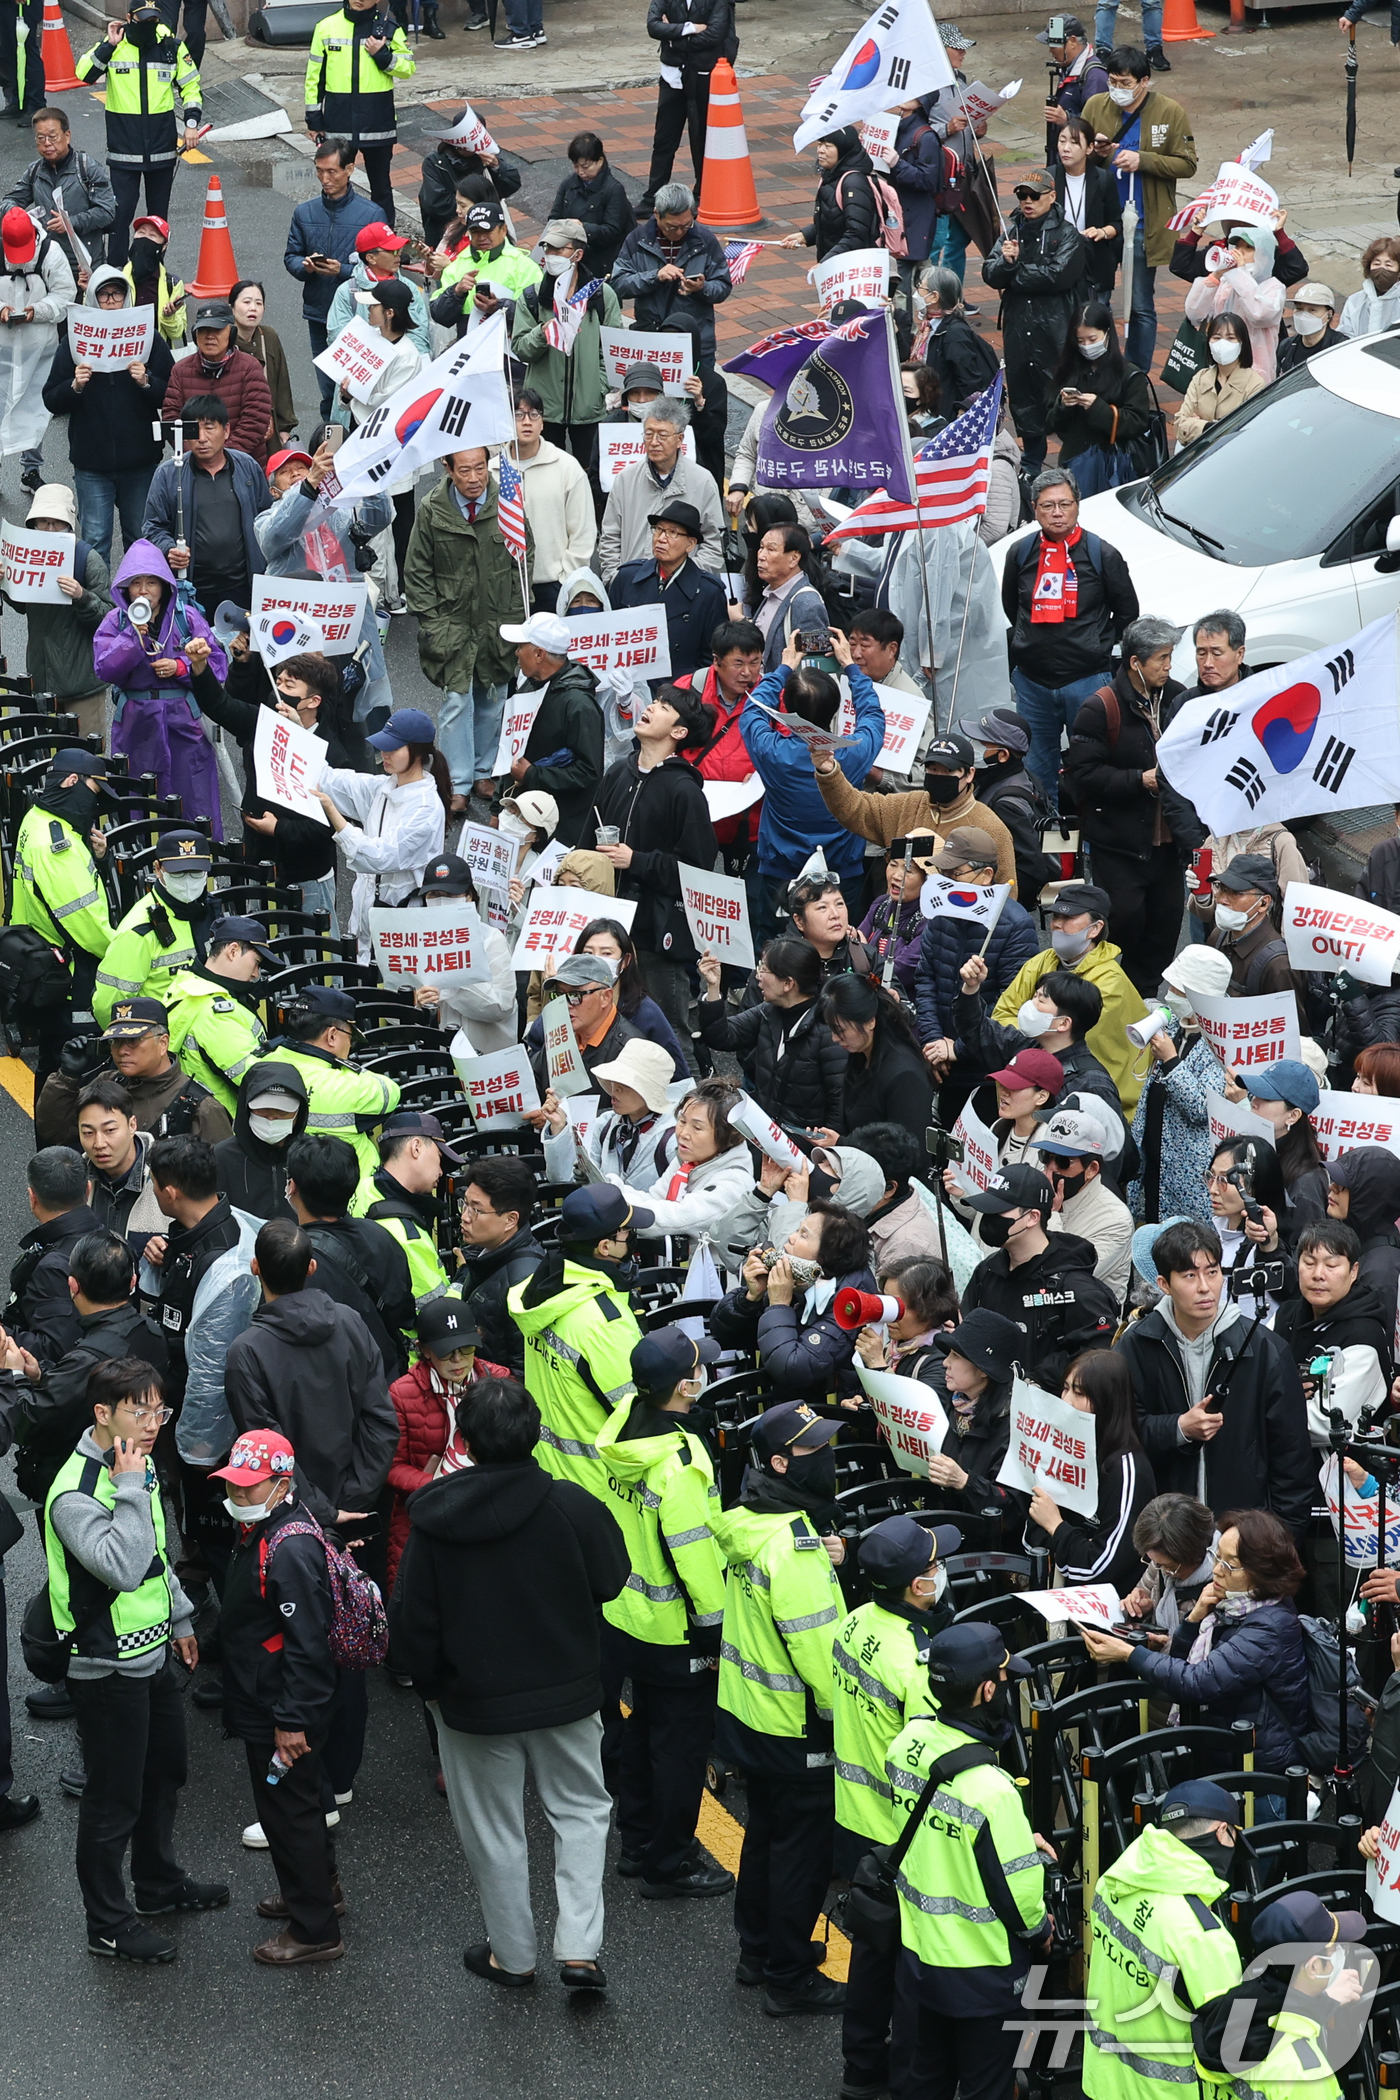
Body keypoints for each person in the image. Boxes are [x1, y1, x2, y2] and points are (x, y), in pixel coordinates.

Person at [391, 1373, 628, 1990]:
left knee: (494, 1830)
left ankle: (513, 1956)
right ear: (535, 1435)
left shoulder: (434, 1520)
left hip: (472, 1706)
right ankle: (579, 1948)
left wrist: (434, 1687)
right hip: (569, 1694)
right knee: (580, 1813)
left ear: (463, 1439)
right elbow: (610, 1580)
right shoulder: (572, 1505)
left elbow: (413, 1625)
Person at [45, 1353, 226, 1960]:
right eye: (139, 1411)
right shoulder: (75, 1492)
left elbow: (155, 1557)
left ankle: (156, 1884)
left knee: (164, 1775)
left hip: (153, 1655)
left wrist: (180, 1617)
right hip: (105, 1671)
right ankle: (107, 1923)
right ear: (103, 1413)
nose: (154, 1423)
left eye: (159, 1409)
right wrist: (128, 1486)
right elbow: (122, 1567)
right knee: (111, 1801)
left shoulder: (135, 1467)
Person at [707, 1399, 846, 2014]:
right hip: (796, 1728)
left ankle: (757, 1951)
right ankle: (789, 1978)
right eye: (818, 1451)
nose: (831, 1459)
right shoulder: (794, 1549)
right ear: (783, 1462)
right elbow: (821, 1657)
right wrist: (846, 1717)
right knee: (801, 1852)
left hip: (748, 1714)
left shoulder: (749, 1521)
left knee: (763, 1834)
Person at [884, 1624, 1049, 2100]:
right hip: (983, 1972)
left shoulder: (908, 1742)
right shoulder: (992, 1790)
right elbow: (1021, 1900)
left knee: (926, 2078)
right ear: (988, 1690)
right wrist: (1042, 1934)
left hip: (920, 1953)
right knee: (986, 2088)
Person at [594, 1328, 729, 1897]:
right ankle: (668, 1864)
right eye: (702, 1369)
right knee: (680, 1749)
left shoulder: (624, 1420)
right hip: (675, 1630)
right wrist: (715, 1628)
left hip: (625, 1615)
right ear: (684, 1385)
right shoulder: (680, 1461)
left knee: (641, 1728)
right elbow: (695, 1554)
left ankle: (637, 1840)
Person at [830, 1514, 959, 2098]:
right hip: (901, 1835)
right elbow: (929, 1757)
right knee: (909, 1966)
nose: (940, 1572)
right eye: (933, 1566)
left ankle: (861, 2066)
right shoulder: (917, 1659)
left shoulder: (854, 1623)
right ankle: (904, 2077)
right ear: (914, 1585)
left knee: (870, 1952)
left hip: (853, 1817)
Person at [213, 1427, 344, 1965]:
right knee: (302, 1804)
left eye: (249, 1487)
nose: (236, 1496)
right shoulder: (271, 1526)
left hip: (281, 1711)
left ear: (281, 1483)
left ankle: (314, 1928)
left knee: (286, 1812)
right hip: (272, 1700)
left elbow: (307, 1649)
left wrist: (291, 1723)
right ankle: (318, 1892)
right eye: (233, 1485)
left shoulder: (286, 1551)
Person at [1081, 1508, 1311, 1785]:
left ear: (1262, 1570)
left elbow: (1199, 1681)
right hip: (1224, 1757)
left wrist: (1129, 1653)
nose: (1217, 1570)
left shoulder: (1270, 1625)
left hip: (1257, 1773)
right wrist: (1193, 1620)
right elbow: (1184, 1658)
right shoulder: (1230, 1606)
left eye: (1230, 1564)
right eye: (1218, 1558)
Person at [1115, 1219, 1313, 1536]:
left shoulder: (1265, 1350)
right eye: (1190, 1275)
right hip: (1165, 1533)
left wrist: (1279, 1543)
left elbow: (1292, 1461)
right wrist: (1178, 1428)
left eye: (1212, 1271)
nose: (1205, 1286)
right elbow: (1120, 1433)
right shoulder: (1137, 1345)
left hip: (1243, 1537)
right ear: (1164, 1284)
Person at [224, 1217, 397, 1538]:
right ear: (312, 1267)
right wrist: (348, 1507)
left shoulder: (246, 1352)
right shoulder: (352, 1323)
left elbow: (269, 1455)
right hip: (356, 1516)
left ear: (255, 1266)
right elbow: (381, 1423)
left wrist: (323, 1512)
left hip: (285, 1523)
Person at [1079, 1778, 1244, 2100]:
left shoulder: (1114, 1881)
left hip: (1102, 2081)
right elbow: (1231, 2043)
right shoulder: (1202, 1936)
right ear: (1223, 1832)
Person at [1064, 614, 1200, 995]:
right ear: (1135, 662)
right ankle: (1105, 994)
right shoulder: (1100, 708)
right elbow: (1083, 773)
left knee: (1166, 925)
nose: (1168, 666)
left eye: (1171, 656)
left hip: (1168, 844)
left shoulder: (1177, 697)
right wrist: (1139, 780)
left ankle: (1141, 998)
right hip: (1120, 844)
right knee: (1124, 922)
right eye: (1161, 658)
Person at [1001, 469, 1139, 814]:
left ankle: (1092, 843)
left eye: (1065, 504)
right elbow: (1012, 606)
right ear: (1034, 509)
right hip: (1033, 683)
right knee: (1035, 768)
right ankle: (1046, 841)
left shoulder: (1101, 555)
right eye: (1048, 506)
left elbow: (1127, 614)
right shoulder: (1020, 553)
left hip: (1087, 680)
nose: (1057, 512)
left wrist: (1097, 647)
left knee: (1091, 764)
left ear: (1077, 506)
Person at [592, 684, 718, 1058]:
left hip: (656, 934)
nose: (651, 708)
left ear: (679, 733)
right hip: (605, 927)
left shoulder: (684, 790)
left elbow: (698, 872)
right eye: (657, 702)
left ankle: (688, 1111)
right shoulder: (617, 773)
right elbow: (587, 842)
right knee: (603, 1028)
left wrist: (638, 861)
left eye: (664, 707)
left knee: (666, 1036)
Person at [740, 637, 886, 930]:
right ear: (835, 709)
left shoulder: (773, 751)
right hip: (842, 872)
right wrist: (851, 668)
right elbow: (873, 716)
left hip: (781, 872)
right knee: (839, 948)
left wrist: (784, 668)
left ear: (788, 709)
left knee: (777, 955)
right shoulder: (853, 752)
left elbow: (752, 711)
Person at [41, 263, 171, 574]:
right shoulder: (73, 342)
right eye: (103, 295)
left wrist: (147, 381)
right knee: (96, 543)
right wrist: (74, 386)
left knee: (142, 541)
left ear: (127, 298)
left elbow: (172, 394)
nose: (111, 301)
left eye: (117, 294)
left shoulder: (147, 337)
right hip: (92, 463)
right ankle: (101, 616)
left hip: (140, 461)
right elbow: (50, 399)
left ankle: (142, 613)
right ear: (92, 300)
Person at [91, 539, 228, 824]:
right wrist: (132, 637)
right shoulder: (116, 621)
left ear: (165, 585)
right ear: (125, 588)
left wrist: (182, 666)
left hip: (183, 721)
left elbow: (218, 666)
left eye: (152, 582)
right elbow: (105, 669)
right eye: (136, 582)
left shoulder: (186, 618)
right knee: (137, 798)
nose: (144, 590)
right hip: (136, 722)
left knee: (193, 797)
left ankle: (194, 861)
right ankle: (137, 861)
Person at [980, 882, 1147, 1114]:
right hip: (1038, 1090)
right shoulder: (1042, 961)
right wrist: (1039, 1027)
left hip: (1093, 1102)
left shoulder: (1110, 982)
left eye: (1068, 918)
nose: (1057, 924)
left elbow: (1066, 1041)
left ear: (1095, 928)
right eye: (1055, 916)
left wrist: (1027, 1028)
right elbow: (1002, 1015)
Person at [1193, 1888, 1372, 2100]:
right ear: (1313, 1967)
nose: (1341, 1953)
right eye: (1334, 1949)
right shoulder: (1306, 2074)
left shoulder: (1225, 2009)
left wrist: (1323, 2002)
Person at [1081, 49, 1197, 372]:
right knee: (1096, 302)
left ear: (1144, 82)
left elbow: (1188, 163)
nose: (1116, 88)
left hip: (1144, 224)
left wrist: (1142, 160)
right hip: (1103, 224)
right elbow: (1079, 155)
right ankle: (1097, 369)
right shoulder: (1095, 106)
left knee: (1141, 305)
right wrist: (1095, 151)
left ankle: (1136, 375)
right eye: (1112, 81)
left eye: (1124, 82)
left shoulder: (1169, 112)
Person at [611, 185, 733, 490]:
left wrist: (702, 288)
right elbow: (619, 283)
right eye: (671, 226)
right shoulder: (637, 240)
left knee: (697, 411)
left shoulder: (704, 239)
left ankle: (692, 478)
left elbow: (724, 285)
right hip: (650, 342)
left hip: (696, 343)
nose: (679, 231)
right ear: (656, 215)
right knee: (649, 409)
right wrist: (654, 277)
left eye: (686, 224)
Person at [385, 1295, 508, 1591]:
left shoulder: (500, 1381)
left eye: (466, 1349)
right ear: (425, 1351)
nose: (457, 1360)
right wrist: (436, 1486)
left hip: (487, 1509)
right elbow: (393, 1466)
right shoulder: (401, 1394)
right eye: (445, 1352)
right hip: (426, 1514)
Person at [914, 827, 1042, 1112]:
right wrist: (934, 1043)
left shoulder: (1016, 925)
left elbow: (1011, 1005)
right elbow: (925, 980)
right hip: (941, 1060)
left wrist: (958, 1048)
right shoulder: (941, 912)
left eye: (953, 874)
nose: (945, 883)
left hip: (986, 1072)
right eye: (942, 874)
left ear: (985, 875)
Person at [10, 748, 114, 1092]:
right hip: (71, 972)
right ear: (73, 781)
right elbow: (87, 924)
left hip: (42, 960)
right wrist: (123, 954)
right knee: (76, 1071)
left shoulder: (37, 818)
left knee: (53, 1062)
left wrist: (96, 859)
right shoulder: (59, 847)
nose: (95, 804)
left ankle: (50, 1144)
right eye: (95, 792)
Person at [961, 1163, 1117, 1386]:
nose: (989, 1218)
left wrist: (1037, 1377)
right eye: (987, 1209)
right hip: (989, 1409)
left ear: (1033, 1217)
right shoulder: (986, 1272)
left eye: (999, 1210)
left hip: (1046, 1411)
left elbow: (1098, 1353)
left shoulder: (1074, 1286)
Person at [710, 1201, 877, 1404]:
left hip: (832, 1418)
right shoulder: (802, 1282)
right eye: (798, 1229)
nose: (791, 1237)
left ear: (827, 1255)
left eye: (803, 1235)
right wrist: (750, 1298)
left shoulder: (850, 1302)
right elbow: (723, 1334)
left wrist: (779, 1304)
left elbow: (792, 1367)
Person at [75, 2, 201, 269]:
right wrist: (108, 45)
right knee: (120, 218)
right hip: (124, 153)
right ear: (129, 18)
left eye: (153, 20)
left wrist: (191, 124)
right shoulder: (115, 46)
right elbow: (83, 73)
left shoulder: (172, 47)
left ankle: (152, 275)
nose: (148, 25)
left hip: (163, 151)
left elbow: (191, 86)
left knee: (157, 221)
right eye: (142, 20)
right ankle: (116, 276)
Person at [316, 707, 450, 955]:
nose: (383, 753)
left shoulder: (426, 809)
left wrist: (334, 814)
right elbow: (333, 781)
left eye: (393, 748)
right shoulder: (385, 787)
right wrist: (301, 730)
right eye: (382, 746)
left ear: (418, 752)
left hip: (401, 926)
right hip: (370, 917)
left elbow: (380, 857)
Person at [285, 1132, 415, 1382]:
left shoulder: (295, 1261)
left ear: (293, 1187)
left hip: (333, 1392)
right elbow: (403, 1311)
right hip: (387, 1383)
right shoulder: (381, 1236)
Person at [981, 167, 1085, 476]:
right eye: (1022, 195)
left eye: (1034, 196)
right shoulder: (1011, 230)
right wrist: (1006, 263)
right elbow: (990, 272)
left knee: (1061, 391)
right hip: (1018, 327)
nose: (1027, 201)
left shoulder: (1067, 234)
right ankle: (1031, 459)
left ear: (1051, 197)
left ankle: (1073, 458)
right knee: (1024, 394)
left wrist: (1014, 272)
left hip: (1055, 328)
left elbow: (1058, 276)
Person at [1026, 1348, 1156, 1592]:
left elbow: (1099, 1567)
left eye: (1080, 1393)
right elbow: (1033, 1539)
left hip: (1106, 1614)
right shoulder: (1061, 1451)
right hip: (1053, 1598)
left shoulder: (1128, 1470)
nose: (1066, 1401)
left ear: (1106, 1400)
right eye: (1065, 1388)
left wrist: (1056, 1526)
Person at [141, 394, 273, 629]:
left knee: (243, 653)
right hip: (192, 587)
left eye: (209, 427)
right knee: (197, 655)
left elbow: (267, 519)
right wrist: (168, 548)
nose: (201, 438)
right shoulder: (169, 474)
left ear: (226, 430)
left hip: (243, 585)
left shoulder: (247, 467)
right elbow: (152, 526)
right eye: (194, 430)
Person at [36, 998, 230, 1155]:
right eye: (116, 1041)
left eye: (133, 1041)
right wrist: (67, 1076)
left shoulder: (201, 1108)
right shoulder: (108, 1082)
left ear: (163, 1043)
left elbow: (220, 1181)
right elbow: (54, 1130)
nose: (122, 1051)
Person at [1126, 943, 1233, 1224]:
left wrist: (1172, 1061)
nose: (1170, 995)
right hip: (1154, 1156)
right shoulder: (1176, 1025)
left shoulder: (1222, 1043)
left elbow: (1201, 1108)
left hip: (1187, 1173)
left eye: (1179, 990)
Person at [697, 936, 847, 1133]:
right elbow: (722, 1036)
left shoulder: (828, 1030)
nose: (758, 976)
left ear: (788, 984)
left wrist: (825, 1150)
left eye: (764, 969)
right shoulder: (769, 1010)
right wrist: (713, 987)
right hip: (765, 1130)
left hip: (805, 1142)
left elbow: (839, 1100)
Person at [2, 484, 112, 749]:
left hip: (81, 684)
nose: (50, 529)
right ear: (34, 523)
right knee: (46, 763)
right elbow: (24, 606)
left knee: (87, 762)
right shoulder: (26, 556)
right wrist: (6, 584)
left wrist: (82, 596)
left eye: (57, 523)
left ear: (69, 525)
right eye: (44, 522)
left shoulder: (88, 559)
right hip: (42, 679)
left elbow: (109, 619)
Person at [259, 986, 399, 1187]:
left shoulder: (258, 1067)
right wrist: (344, 1067)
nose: (350, 1046)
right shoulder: (349, 1086)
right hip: (346, 1198)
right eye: (350, 1037)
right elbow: (391, 1092)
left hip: (277, 1189)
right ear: (332, 1035)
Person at [284, 138, 383, 418]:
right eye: (319, 171)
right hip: (319, 314)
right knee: (329, 390)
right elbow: (291, 257)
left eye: (332, 172)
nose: (324, 179)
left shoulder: (372, 214)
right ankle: (333, 451)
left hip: (362, 318)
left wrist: (342, 271)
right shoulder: (305, 212)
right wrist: (306, 268)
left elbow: (383, 272)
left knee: (363, 389)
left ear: (350, 169)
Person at [497, 610, 608, 849]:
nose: (516, 653)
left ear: (539, 654)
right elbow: (514, 750)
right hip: (523, 814)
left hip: (557, 831)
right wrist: (498, 804)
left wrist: (533, 776)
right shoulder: (530, 685)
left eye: (521, 647)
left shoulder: (578, 705)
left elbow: (589, 771)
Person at [303, 0, 415, 227]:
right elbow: (315, 78)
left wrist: (382, 54)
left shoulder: (390, 28)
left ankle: (384, 245)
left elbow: (408, 68)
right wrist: (314, 121)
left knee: (381, 187)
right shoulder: (326, 27)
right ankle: (332, 237)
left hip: (377, 122)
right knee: (333, 182)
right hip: (338, 121)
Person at [597, 394, 725, 584]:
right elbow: (609, 537)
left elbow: (713, 542)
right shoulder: (626, 479)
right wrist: (615, 579)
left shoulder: (702, 481)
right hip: (631, 588)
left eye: (663, 435)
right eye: (649, 434)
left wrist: (685, 580)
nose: (654, 441)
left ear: (680, 439)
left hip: (683, 593)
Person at [93, 829, 213, 1028]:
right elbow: (109, 1007)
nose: (188, 881)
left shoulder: (210, 912)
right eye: (178, 873)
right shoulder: (138, 931)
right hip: (163, 1045)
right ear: (157, 869)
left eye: (196, 872)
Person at [163, 915, 275, 1116]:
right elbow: (260, 1081)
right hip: (223, 1128)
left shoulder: (188, 985)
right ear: (233, 951)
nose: (256, 974)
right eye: (256, 962)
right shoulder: (217, 1015)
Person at [501, 390, 596, 614]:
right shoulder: (493, 470)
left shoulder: (566, 467)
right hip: (505, 587)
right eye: (518, 415)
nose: (527, 422)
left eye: (534, 415)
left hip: (553, 585)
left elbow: (583, 530)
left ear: (542, 423)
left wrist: (566, 579)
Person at [610, 505, 728, 686]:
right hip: (628, 686)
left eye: (672, 533)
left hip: (678, 694)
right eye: (658, 530)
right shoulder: (628, 577)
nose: (661, 538)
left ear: (690, 544)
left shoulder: (709, 592)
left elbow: (712, 658)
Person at [4, 1148, 97, 1369]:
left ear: (32, 1197)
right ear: (88, 1189)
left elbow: (55, 1350)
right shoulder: (112, 1240)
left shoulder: (53, 1267)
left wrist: (5, 1335)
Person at [636, 0, 732, 213]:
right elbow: (653, 26)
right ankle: (653, 196)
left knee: (701, 138)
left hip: (702, 75)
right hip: (672, 76)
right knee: (664, 139)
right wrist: (691, 28)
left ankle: (702, 194)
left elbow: (715, 34)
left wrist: (672, 36)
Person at [155, 300, 275, 468]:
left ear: (231, 333)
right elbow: (172, 417)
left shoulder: (250, 367)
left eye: (217, 330)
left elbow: (255, 421)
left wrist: (222, 457)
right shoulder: (180, 370)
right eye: (203, 330)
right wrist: (196, 453)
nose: (209, 336)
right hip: (195, 466)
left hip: (243, 466)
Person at [357, 1110, 458, 1309]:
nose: (440, 1171)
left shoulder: (364, 1187)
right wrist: (463, 1278)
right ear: (416, 1147)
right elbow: (441, 1312)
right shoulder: (408, 1235)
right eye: (439, 1157)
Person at [455, 1158, 544, 1381]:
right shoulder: (483, 1254)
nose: (465, 1217)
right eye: (464, 1204)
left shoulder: (523, 1282)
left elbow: (525, 1375)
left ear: (510, 1220)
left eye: (476, 1210)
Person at [3, 105, 115, 280]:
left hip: (84, 264)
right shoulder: (34, 171)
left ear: (67, 136)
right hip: (48, 263)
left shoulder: (87, 168)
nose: (47, 143)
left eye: (52, 137)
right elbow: (10, 201)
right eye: (41, 138)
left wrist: (71, 223)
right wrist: (18, 218)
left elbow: (107, 211)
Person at [1047, 302, 1149, 489]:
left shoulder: (1129, 375)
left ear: (1108, 334)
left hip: (1114, 465)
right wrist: (1062, 405)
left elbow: (1137, 421)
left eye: (1092, 339)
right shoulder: (1068, 371)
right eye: (1080, 341)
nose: (1086, 346)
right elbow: (1051, 422)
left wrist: (1098, 409)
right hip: (1075, 462)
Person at [1035, 1102, 1133, 1299]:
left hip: (1088, 1322)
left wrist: (1051, 1213)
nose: (1051, 1168)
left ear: (1092, 1169)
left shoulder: (1116, 1219)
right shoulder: (1037, 1189)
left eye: (1062, 1161)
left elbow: (1064, 1275)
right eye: (1046, 1156)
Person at [823, 977, 936, 1143]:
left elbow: (909, 1153)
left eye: (840, 1030)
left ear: (870, 1022)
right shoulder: (860, 1056)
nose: (834, 1038)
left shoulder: (904, 1075)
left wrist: (842, 1143)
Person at [1207, 853, 1311, 1028]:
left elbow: (1292, 1033)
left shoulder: (1278, 966)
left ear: (1263, 903)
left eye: (1236, 893)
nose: (1222, 899)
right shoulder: (1219, 935)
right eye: (1221, 888)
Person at [525, 952, 644, 1101]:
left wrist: (564, 1118)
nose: (565, 1005)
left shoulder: (630, 1049)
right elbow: (531, 1082)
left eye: (575, 995)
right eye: (559, 995)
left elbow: (629, 1114)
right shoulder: (559, 1034)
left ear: (606, 997)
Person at [1185, 224, 1286, 383]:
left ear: (1263, 255)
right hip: (1221, 365)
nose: (1240, 251)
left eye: (1248, 247)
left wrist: (1239, 274)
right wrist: (1215, 276)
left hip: (1255, 371)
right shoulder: (1227, 282)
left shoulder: (1274, 287)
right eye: (1237, 246)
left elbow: (1259, 315)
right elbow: (1195, 314)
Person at [323, 221, 431, 364]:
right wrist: (374, 363)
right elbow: (337, 337)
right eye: (392, 250)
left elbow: (419, 334)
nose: (398, 255)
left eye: (399, 249)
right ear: (371, 258)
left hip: (402, 371)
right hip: (361, 372)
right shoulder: (347, 291)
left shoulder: (409, 288)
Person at [212, 1064, 307, 1224]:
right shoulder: (220, 1158)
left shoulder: (312, 1158)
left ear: (298, 1114)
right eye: (262, 1110)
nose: (271, 1118)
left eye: (281, 1113)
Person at [1324, 1147, 1400, 1340]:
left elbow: (1380, 1348)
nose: (1332, 1188)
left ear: (1368, 1196)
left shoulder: (1381, 1273)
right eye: (1332, 1180)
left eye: (1342, 1185)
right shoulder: (1354, 1237)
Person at [418, 128, 522, 250]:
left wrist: (497, 166)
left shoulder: (485, 158)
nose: (458, 210)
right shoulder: (435, 162)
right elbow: (435, 203)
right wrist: (475, 209)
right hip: (444, 231)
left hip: (485, 227)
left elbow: (512, 184)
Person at [549, 132, 634, 282]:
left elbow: (613, 231)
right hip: (570, 259)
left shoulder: (613, 190)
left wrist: (582, 228)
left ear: (600, 161)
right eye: (576, 166)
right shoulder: (568, 184)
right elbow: (554, 218)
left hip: (600, 263)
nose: (580, 172)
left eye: (585, 166)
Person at [1051, 121, 1122, 298]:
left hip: (1094, 267)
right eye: (1062, 141)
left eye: (1074, 142)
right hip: (1056, 265)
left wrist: (1101, 232)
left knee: (1092, 319)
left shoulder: (1104, 179)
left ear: (1089, 148)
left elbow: (1117, 223)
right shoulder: (1049, 177)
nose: (1066, 148)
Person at [1175, 312, 1265, 448]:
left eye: (1231, 338)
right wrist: (1212, 427)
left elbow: (1244, 433)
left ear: (1242, 343)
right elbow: (1180, 425)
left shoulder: (1254, 384)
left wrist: (1199, 426)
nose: (1222, 343)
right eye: (1216, 338)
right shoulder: (1201, 378)